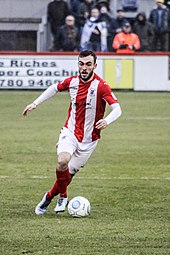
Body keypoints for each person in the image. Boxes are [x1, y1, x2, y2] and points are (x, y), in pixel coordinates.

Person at [22, 50, 122, 215]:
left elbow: (117, 109)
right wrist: (35, 103)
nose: (84, 68)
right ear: (78, 64)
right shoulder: (72, 82)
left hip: (89, 141)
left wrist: (107, 120)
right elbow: (54, 88)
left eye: (88, 64)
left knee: (67, 177)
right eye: (81, 64)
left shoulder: (101, 86)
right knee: (62, 161)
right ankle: (63, 196)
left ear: (94, 66)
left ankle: (47, 197)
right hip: (70, 132)